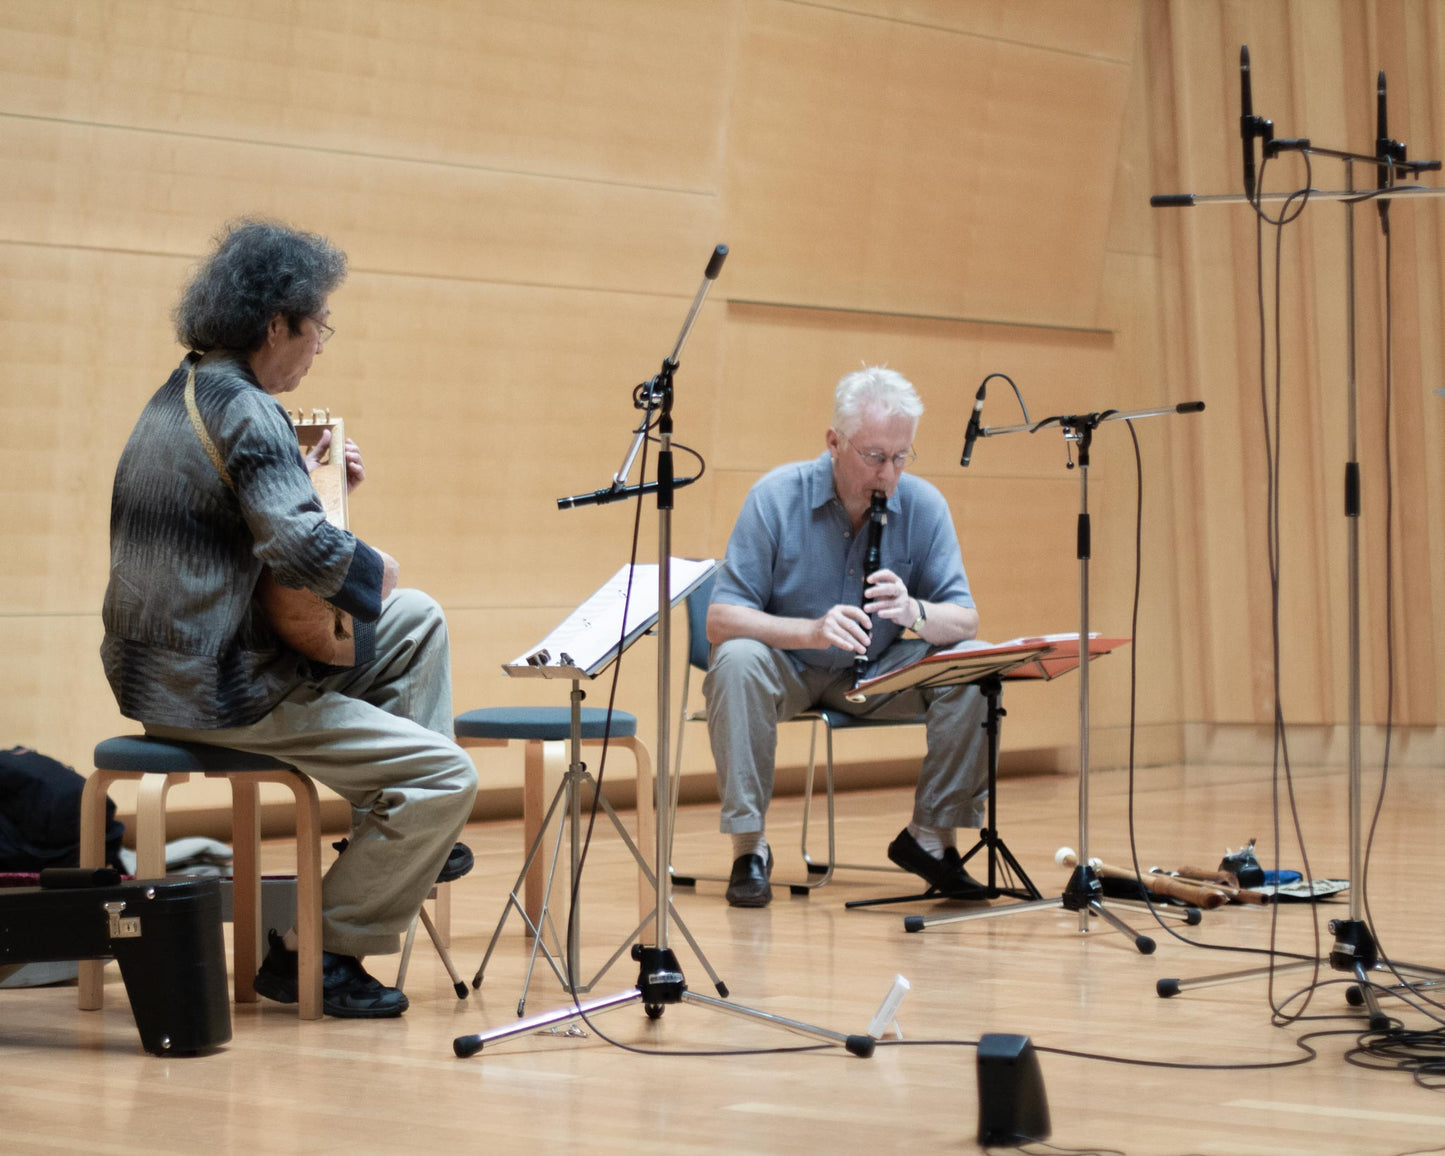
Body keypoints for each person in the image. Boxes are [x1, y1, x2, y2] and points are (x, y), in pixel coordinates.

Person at [101, 219, 478, 1016]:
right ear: (277, 323)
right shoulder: (250, 413)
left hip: (153, 666)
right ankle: (320, 951)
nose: (317, 348)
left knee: (416, 621)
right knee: (446, 774)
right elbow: (300, 550)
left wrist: (322, 487)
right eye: (318, 328)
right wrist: (373, 564)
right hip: (220, 685)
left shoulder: (187, 389)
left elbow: (249, 523)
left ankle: (403, 841)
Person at [704, 366, 989, 907]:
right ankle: (749, 848)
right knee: (737, 658)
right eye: (874, 456)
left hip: (875, 671)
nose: (888, 473)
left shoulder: (924, 507)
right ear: (834, 443)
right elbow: (721, 619)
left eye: (901, 457)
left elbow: (966, 620)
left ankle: (930, 836)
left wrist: (914, 610)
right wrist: (810, 631)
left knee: (972, 661)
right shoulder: (774, 497)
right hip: (787, 667)